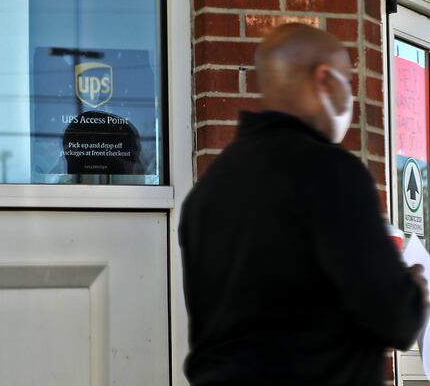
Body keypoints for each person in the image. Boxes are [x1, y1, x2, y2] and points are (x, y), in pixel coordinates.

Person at [179, 23, 428, 385]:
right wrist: (414, 289)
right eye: (347, 80)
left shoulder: (208, 191)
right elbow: (391, 317)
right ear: (324, 79)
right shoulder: (332, 173)